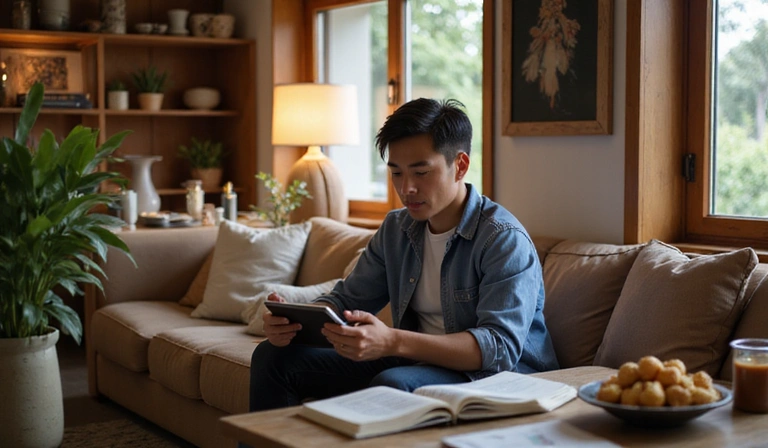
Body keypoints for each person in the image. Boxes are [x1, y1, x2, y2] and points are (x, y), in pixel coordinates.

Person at [249, 98, 559, 412]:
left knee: (393, 384)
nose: (406, 187)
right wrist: (297, 322)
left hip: (498, 377)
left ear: (460, 166)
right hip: (413, 361)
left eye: (421, 172)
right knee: (274, 357)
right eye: (396, 173)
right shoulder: (397, 229)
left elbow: (498, 348)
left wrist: (393, 341)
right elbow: (347, 299)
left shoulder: (502, 238)